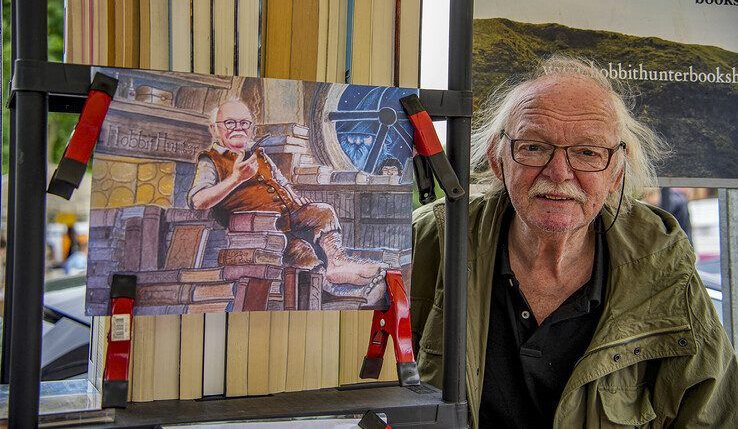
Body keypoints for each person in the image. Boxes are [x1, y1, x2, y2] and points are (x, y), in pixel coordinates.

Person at [411, 56, 737, 428]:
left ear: (615, 173)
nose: (559, 172)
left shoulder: (660, 263)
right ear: (499, 161)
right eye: (534, 147)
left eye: (587, 152)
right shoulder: (435, 238)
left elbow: (713, 414)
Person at [188, 100, 387, 302]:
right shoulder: (210, 160)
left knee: (323, 211)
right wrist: (236, 178)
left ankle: (337, 263)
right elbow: (198, 201)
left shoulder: (258, 153)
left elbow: (281, 181)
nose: (238, 128)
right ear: (215, 129)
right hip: (259, 229)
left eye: (244, 123)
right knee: (302, 252)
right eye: (230, 123)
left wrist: (295, 197)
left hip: (288, 216)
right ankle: (347, 292)